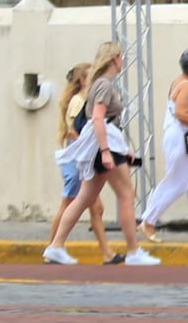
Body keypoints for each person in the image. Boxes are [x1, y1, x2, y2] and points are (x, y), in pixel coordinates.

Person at [43, 41, 160, 267]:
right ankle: (133, 250)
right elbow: (98, 118)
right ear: (114, 59)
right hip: (105, 146)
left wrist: (121, 149)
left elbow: (103, 121)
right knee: (126, 195)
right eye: (121, 57)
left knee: (84, 198)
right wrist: (107, 151)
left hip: (105, 144)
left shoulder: (98, 84)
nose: (122, 60)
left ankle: (56, 246)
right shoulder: (104, 85)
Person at [47, 62, 120, 265]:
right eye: (91, 76)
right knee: (70, 203)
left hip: (81, 156)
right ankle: (53, 247)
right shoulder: (78, 101)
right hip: (77, 158)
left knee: (96, 208)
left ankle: (107, 253)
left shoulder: (85, 100)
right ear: (82, 80)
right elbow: (75, 130)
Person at [139, 49, 188, 243]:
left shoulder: (180, 81)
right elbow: (181, 113)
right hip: (182, 138)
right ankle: (149, 220)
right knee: (178, 182)